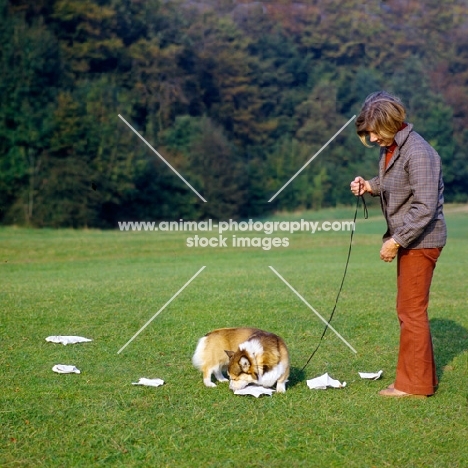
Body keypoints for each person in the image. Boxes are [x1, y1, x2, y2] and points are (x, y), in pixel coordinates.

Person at [350, 91, 447, 398]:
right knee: (407, 310)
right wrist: (369, 185)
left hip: (421, 240)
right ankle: (411, 380)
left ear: (391, 123)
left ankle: (414, 386)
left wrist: (395, 241)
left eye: (374, 130)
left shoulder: (419, 152)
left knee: (411, 312)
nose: (372, 137)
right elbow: (394, 183)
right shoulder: (392, 149)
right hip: (411, 239)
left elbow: (424, 206)